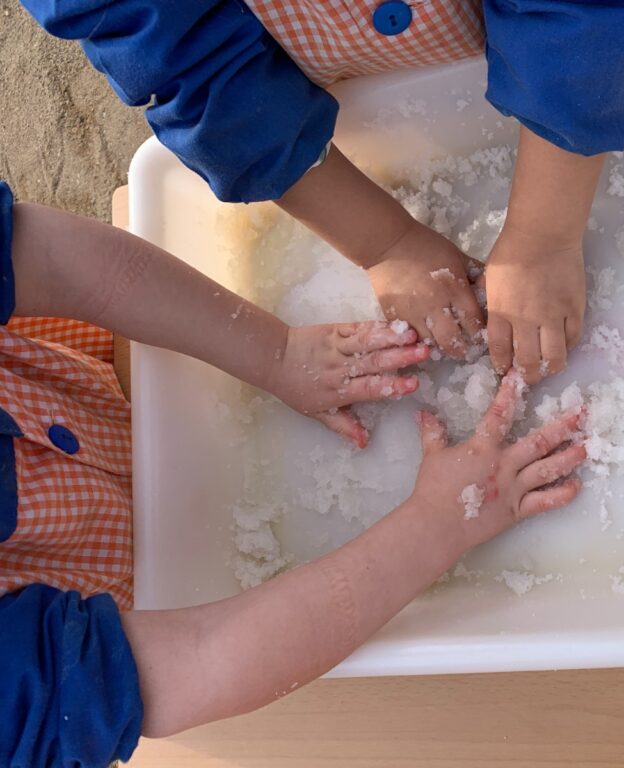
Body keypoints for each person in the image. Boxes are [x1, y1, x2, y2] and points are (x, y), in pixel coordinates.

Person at [0, 183, 587, 765]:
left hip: (94, 403)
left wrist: (274, 352)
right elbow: (198, 660)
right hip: (126, 612)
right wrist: (442, 522)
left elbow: (58, 261)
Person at [19, 0, 624, 384]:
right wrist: (384, 243)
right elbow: (198, 78)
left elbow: (590, 21)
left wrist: (542, 234)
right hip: (323, 68)